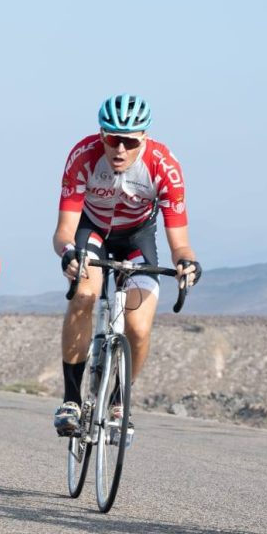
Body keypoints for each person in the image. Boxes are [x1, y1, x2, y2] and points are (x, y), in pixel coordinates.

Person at [51, 93, 201, 437]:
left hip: (137, 238)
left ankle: (120, 400)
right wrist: (68, 253)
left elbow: (180, 243)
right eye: (112, 139)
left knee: (139, 327)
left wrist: (187, 263)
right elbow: (63, 231)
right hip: (92, 232)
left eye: (130, 142)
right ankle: (71, 399)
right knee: (84, 295)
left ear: (144, 138)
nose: (120, 149)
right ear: (101, 134)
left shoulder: (164, 166)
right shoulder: (83, 156)